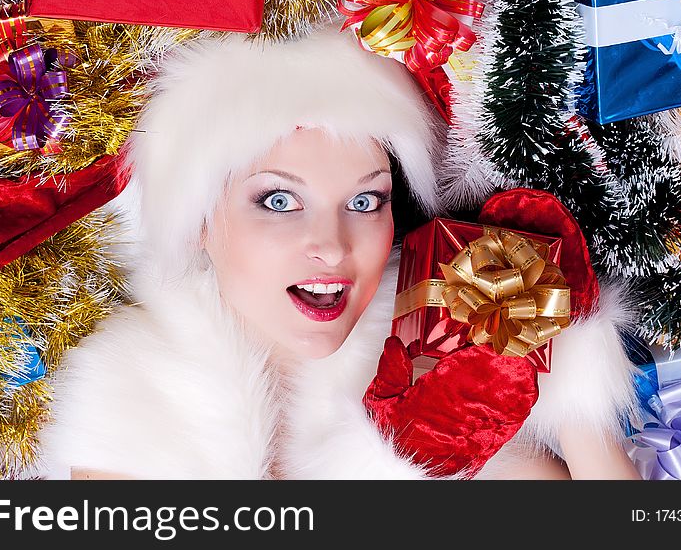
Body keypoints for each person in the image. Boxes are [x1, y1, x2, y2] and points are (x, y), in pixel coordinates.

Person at [33, 26, 641, 480]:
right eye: (277, 201)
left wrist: (566, 370)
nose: (330, 245)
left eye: (364, 202)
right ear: (199, 220)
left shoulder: (436, 360)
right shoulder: (132, 394)